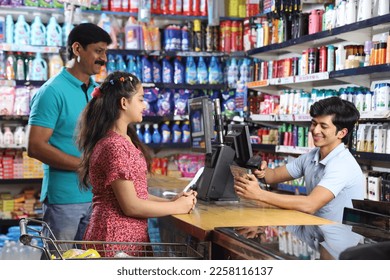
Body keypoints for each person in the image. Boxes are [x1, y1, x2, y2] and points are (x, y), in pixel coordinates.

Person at [76, 71, 197, 257]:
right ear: (124, 103)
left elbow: (138, 193)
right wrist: (177, 207)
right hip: (116, 241)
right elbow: (131, 205)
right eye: (140, 99)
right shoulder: (114, 146)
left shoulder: (123, 140)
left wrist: (172, 201)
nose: (144, 105)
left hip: (127, 239)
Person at [27, 23, 112, 244]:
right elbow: (35, 146)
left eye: (105, 51)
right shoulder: (52, 91)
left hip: (96, 197)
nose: (104, 58)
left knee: (90, 264)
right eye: (98, 50)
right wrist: (85, 165)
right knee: (59, 264)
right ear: (77, 49)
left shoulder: (97, 92)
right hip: (65, 200)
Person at [234, 97, 364, 223]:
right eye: (314, 123)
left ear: (341, 133)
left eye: (323, 126)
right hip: (316, 231)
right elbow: (272, 176)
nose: (315, 130)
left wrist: (259, 194)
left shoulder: (342, 164)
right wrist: (260, 170)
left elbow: (310, 204)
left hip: (339, 240)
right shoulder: (312, 156)